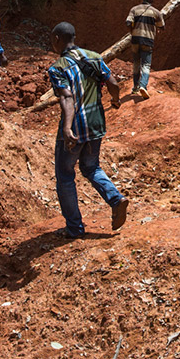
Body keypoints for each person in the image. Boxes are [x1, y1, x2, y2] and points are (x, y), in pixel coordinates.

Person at [42, 21, 127, 238]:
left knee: (65, 175)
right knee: (91, 167)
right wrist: (115, 101)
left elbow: (67, 97)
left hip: (76, 128)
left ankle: (75, 229)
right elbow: (114, 84)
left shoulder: (58, 68)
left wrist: (67, 128)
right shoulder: (95, 57)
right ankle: (116, 199)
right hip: (96, 125)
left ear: (57, 40)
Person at [125, 0, 165, 98]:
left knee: (136, 63)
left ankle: (135, 88)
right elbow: (162, 26)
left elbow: (128, 22)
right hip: (148, 41)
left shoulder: (134, 9)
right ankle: (143, 86)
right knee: (146, 64)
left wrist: (133, 30)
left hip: (135, 40)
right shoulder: (156, 12)